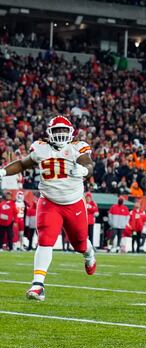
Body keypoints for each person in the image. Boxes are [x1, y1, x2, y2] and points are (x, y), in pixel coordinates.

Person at [0, 116, 97, 301]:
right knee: (45, 239)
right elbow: (22, 163)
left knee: (79, 244)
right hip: (49, 201)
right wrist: (3, 171)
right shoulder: (40, 148)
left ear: (70, 133)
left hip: (73, 202)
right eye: (57, 130)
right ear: (50, 133)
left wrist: (85, 170)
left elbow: (88, 163)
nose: (60, 134)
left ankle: (89, 252)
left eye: (63, 131)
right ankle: (38, 285)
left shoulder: (77, 147)